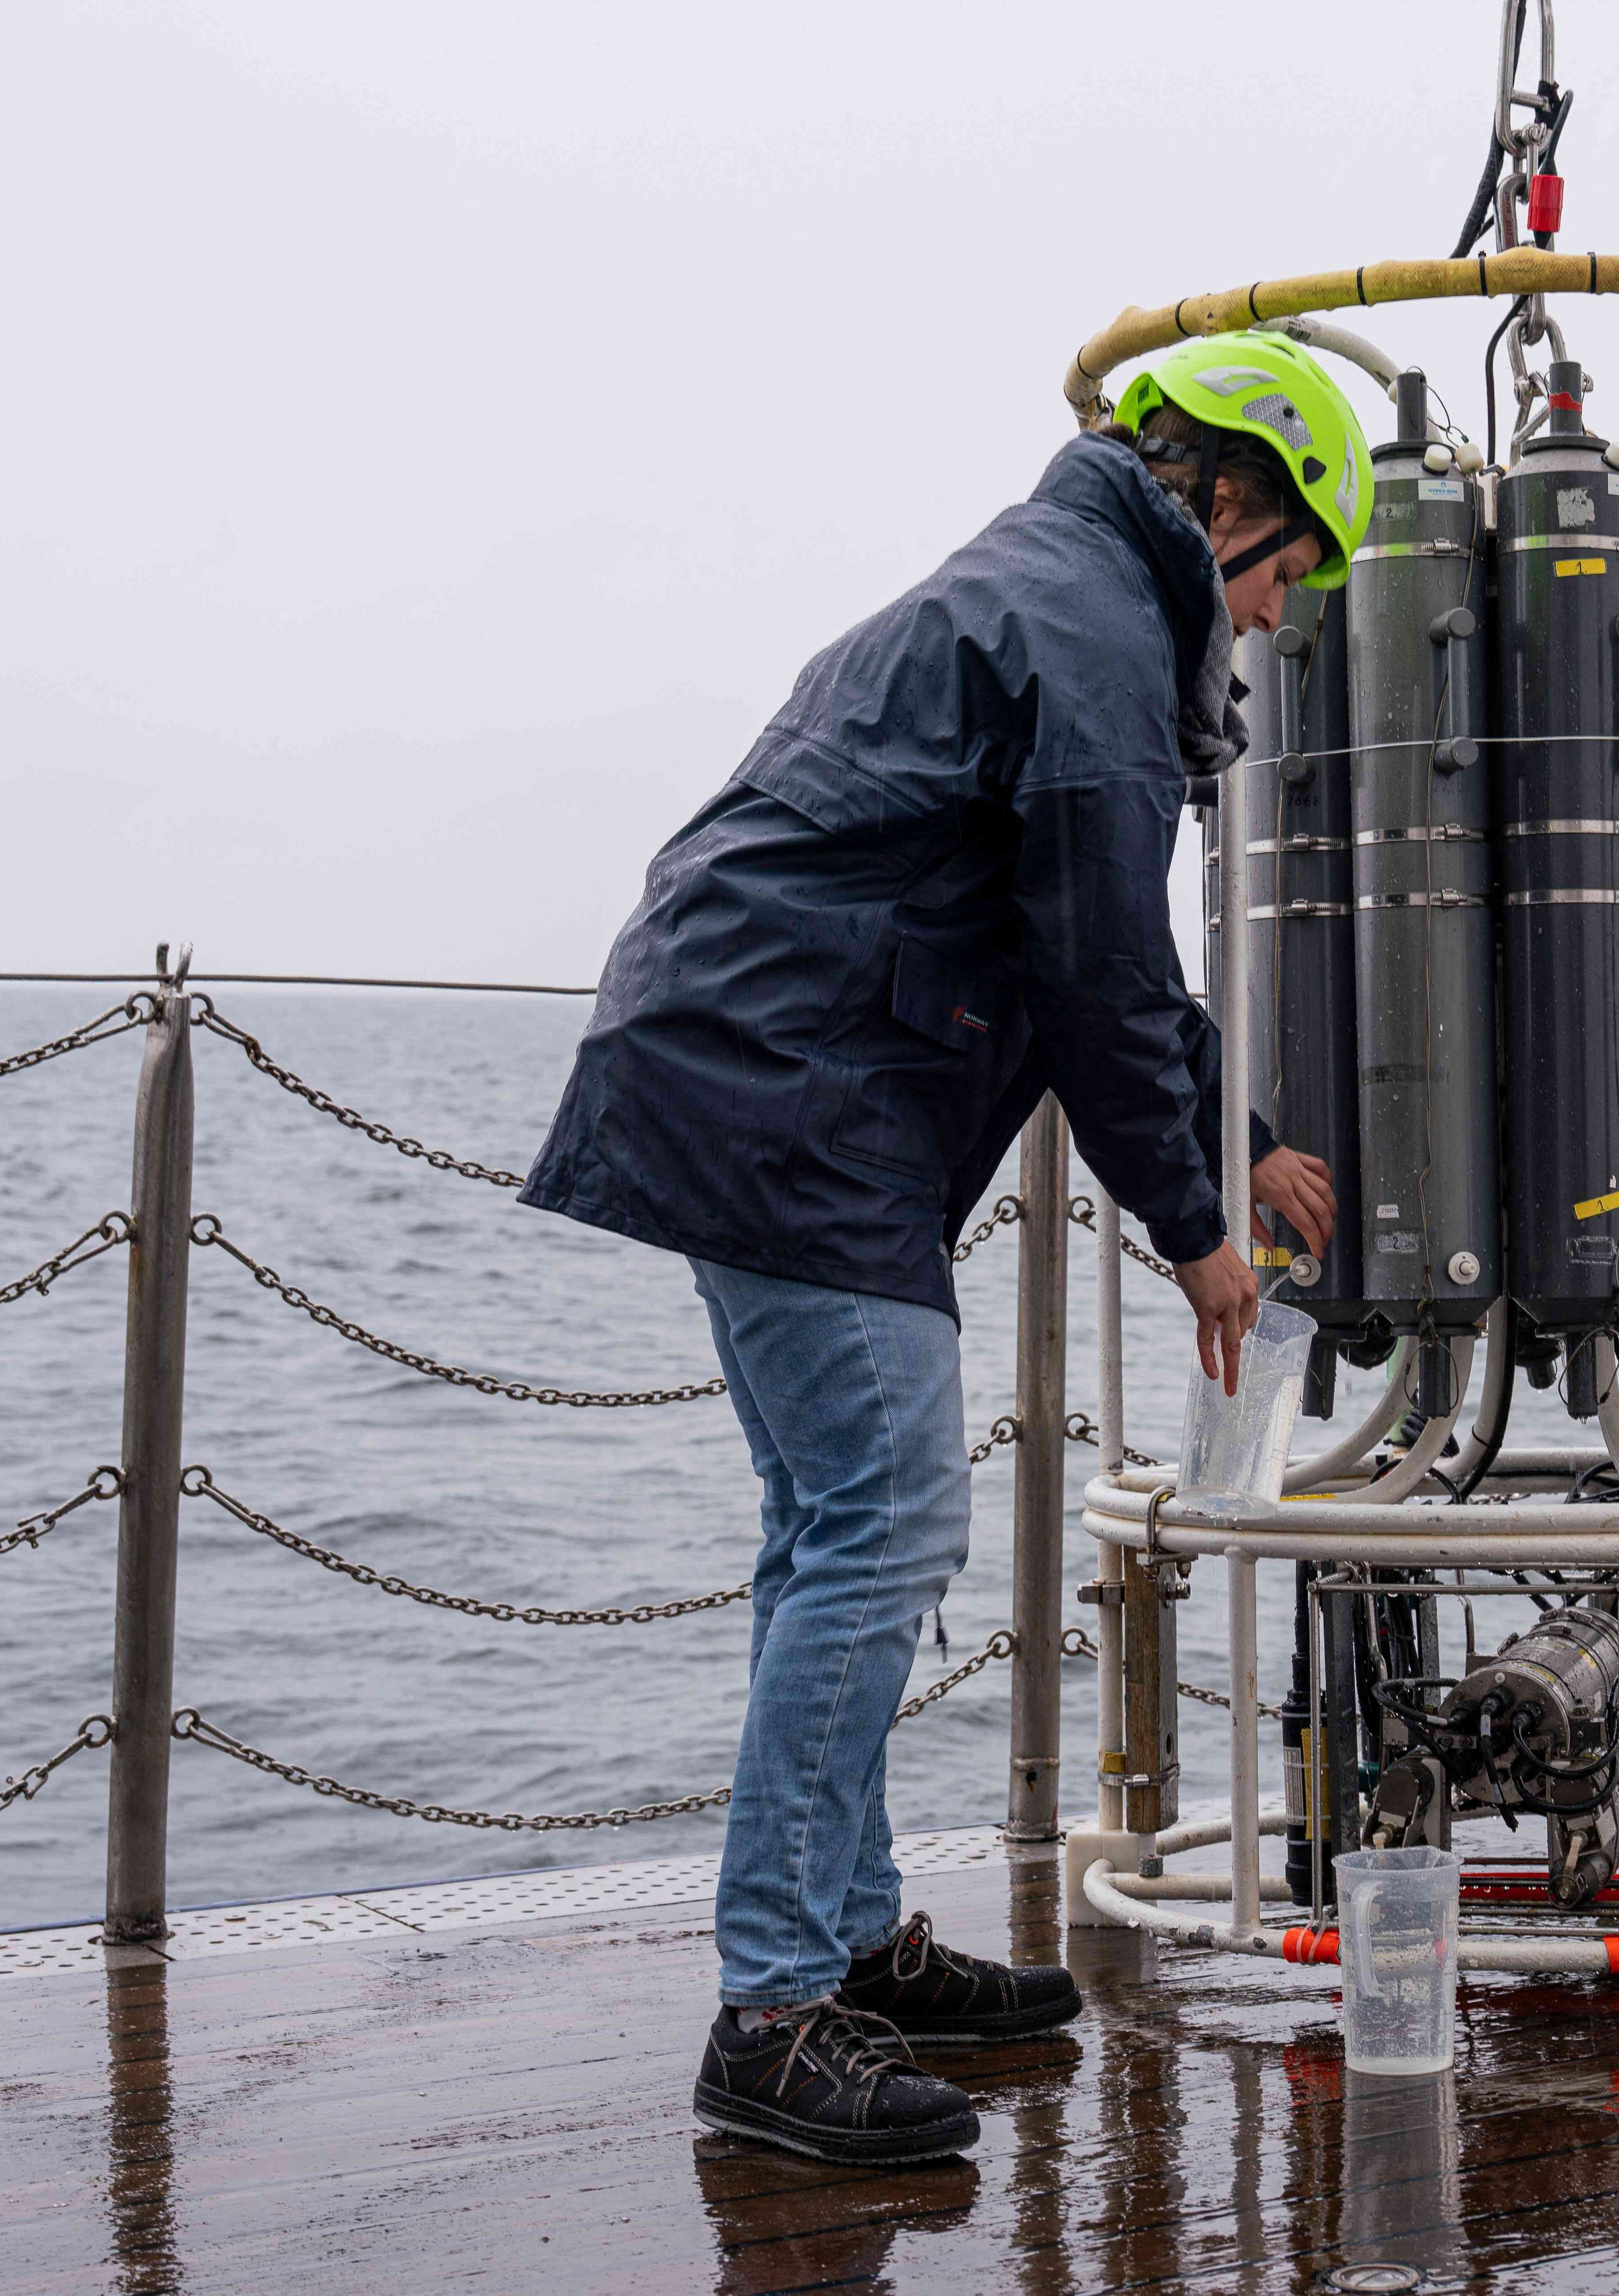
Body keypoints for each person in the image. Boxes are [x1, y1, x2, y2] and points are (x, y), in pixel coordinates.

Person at [520, 329, 1368, 2166]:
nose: (1282, 622)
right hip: (785, 1091)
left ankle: (845, 1948)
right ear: (1226, 497)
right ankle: (770, 2016)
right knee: (888, 1521)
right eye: (1292, 570)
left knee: (834, 1531)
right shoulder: (1081, 631)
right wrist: (1204, 1223)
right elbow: (1093, 965)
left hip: (769, 1072)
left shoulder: (1063, 593)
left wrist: (1239, 1140)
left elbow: (1095, 943)